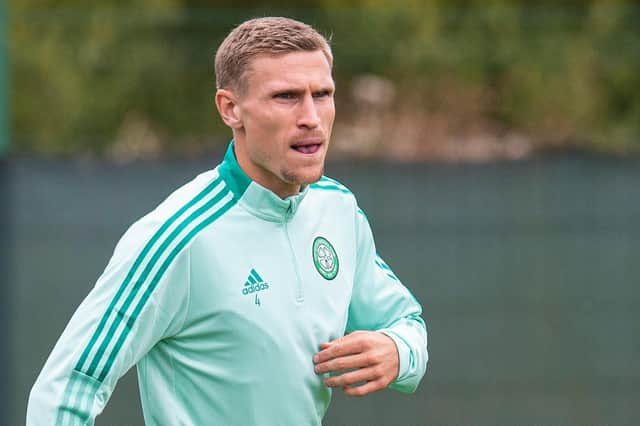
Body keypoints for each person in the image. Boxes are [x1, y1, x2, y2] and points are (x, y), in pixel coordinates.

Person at [27, 16, 428, 425]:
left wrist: (398, 350)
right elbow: (66, 390)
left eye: (322, 94)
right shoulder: (177, 236)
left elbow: (406, 323)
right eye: (286, 96)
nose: (311, 117)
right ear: (230, 109)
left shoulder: (338, 211)